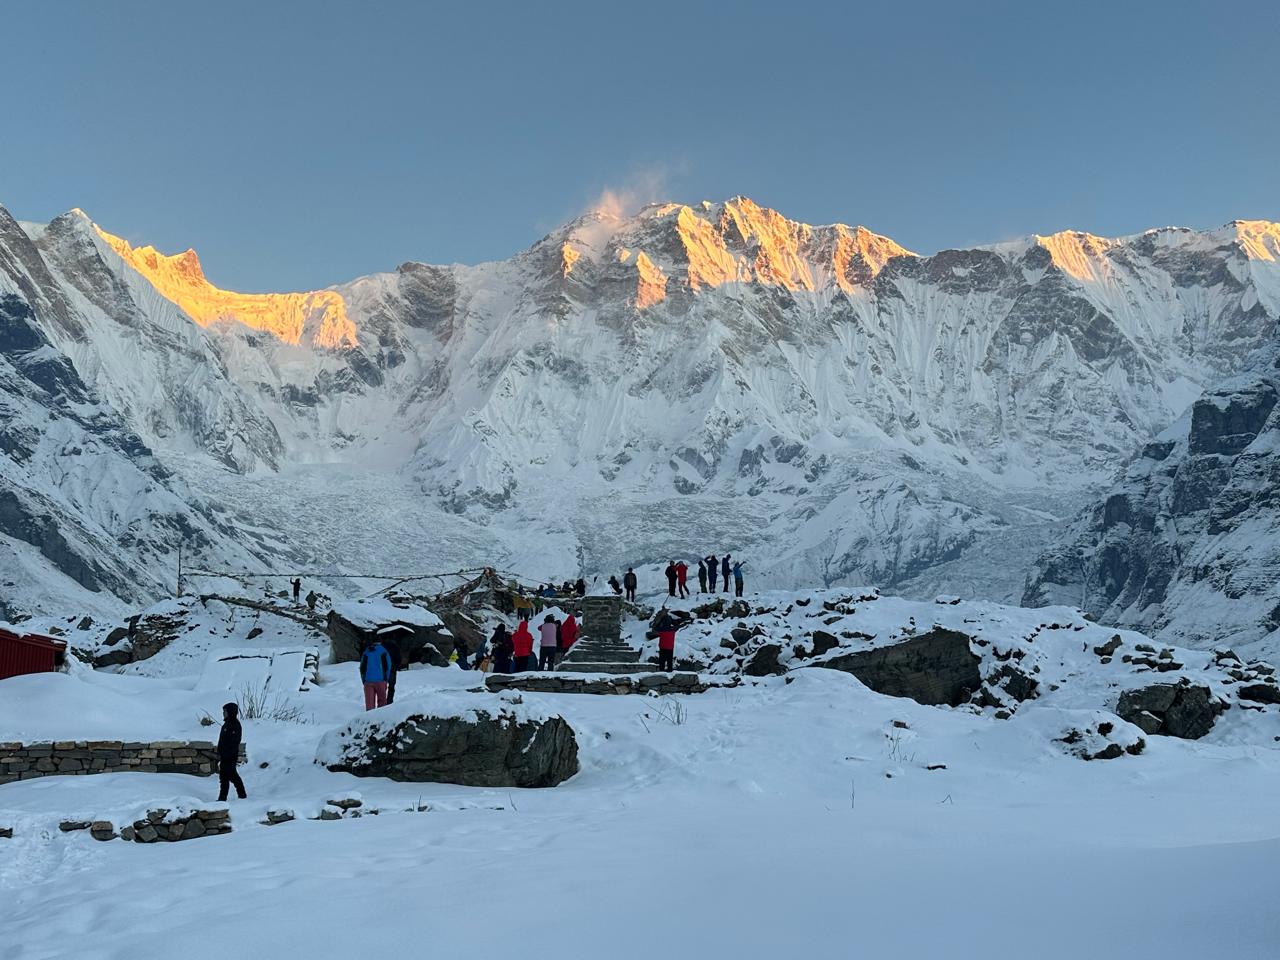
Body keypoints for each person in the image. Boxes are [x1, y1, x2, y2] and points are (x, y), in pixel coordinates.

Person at [216, 702, 247, 801]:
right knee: (230, 776)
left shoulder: (234, 724)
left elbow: (234, 742)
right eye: (223, 711)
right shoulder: (227, 723)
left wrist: (226, 754)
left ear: (230, 712)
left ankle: (223, 798)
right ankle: (241, 795)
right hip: (225, 756)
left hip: (229, 756)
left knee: (227, 777)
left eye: (225, 711)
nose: (223, 713)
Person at [360, 640, 392, 711]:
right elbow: (388, 665)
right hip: (381, 681)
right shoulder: (383, 651)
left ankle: (369, 720)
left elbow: (362, 667)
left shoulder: (366, 651)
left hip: (368, 681)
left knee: (369, 705)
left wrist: (364, 680)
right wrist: (386, 678)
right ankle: (380, 720)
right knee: (382, 703)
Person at [379, 629, 405, 704]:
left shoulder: (381, 646)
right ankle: (389, 702)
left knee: (382, 687)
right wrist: (395, 667)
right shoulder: (395, 646)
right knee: (391, 687)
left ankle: (381, 702)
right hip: (392, 670)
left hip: (382, 670)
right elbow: (399, 659)